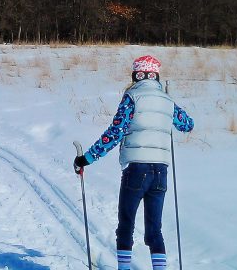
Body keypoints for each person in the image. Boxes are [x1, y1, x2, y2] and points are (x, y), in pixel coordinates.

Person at [73, 55, 194, 270]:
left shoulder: (132, 97)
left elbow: (115, 132)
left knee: (126, 225)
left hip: (136, 170)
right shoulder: (167, 101)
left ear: (136, 75)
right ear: (156, 75)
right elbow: (187, 125)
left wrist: (87, 158)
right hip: (161, 172)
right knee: (154, 230)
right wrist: (168, 105)